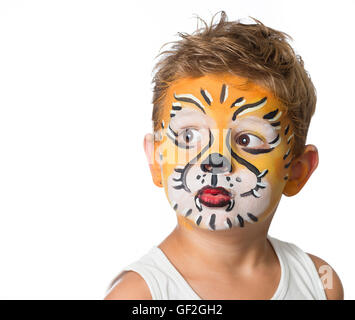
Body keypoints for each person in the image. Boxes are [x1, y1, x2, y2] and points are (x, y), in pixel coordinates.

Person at [105, 12, 343, 300]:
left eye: (246, 139)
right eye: (189, 137)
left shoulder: (320, 282)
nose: (215, 160)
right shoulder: (140, 295)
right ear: (157, 159)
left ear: (297, 170)